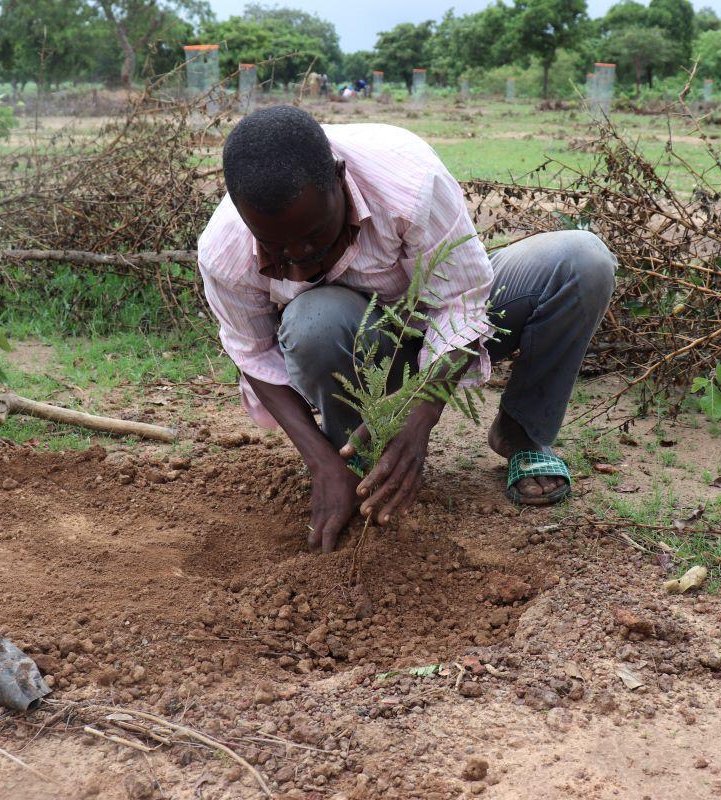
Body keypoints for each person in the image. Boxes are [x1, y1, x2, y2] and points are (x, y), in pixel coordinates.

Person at [198, 106, 617, 552]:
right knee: (315, 319)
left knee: (582, 260)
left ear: (339, 178)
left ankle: (522, 433)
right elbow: (254, 354)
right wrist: (319, 460)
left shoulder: (408, 179)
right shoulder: (225, 251)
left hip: (442, 320)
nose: (300, 257)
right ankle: (356, 456)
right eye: (278, 247)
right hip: (352, 349)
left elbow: (462, 299)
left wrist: (422, 412)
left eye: (315, 234)